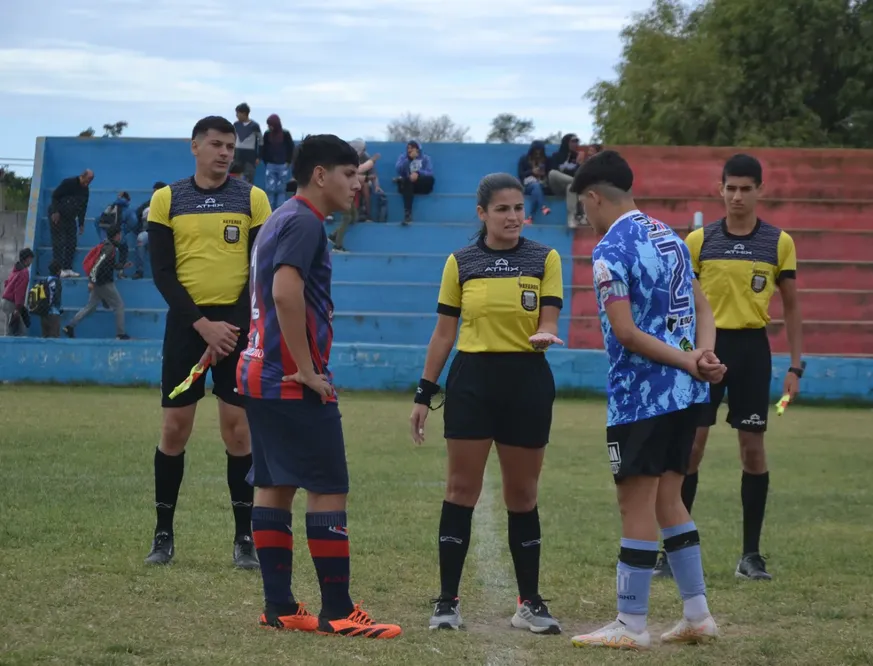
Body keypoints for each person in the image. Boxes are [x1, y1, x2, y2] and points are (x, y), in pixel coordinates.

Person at [237, 134, 402, 638]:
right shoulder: (305, 222)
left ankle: (280, 606)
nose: (358, 184)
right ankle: (337, 610)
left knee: (276, 483)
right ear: (320, 175)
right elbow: (287, 294)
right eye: (350, 174)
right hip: (288, 378)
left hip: (257, 370)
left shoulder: (282, 218)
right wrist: (308, 370)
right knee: (329, 487)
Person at [567, 151, 721, 649]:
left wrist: (687, 360)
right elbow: (703, 305)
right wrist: (703, 356)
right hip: (687, 394)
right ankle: (697, 615)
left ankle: (631, 624)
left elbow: (627, 334)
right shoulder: (670, 238)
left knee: (633, 502)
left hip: (641, 399)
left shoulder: (611, 249)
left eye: (582, 205)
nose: (584, 216)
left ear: (594, 197)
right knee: (670, 500)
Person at [409, 172, 565, 635]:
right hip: (472, 381)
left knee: (523, 494)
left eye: (518, 208)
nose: (513, 216)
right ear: (482, 214)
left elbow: (550, 316)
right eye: (502, 209)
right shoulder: (461, 261)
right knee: (461, 489)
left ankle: (529, 603)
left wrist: (543, 334)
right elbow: (444, 334)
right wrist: (424, 392)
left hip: (527, 381)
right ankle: (447, 601)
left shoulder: (545, 257)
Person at [144, 115, 272, 568]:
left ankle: (244, 539)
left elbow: (261, 271)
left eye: (230, 147)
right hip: (186, 326)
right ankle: (163, 534)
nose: (224, 153)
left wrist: (228, 329)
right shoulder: (166, 200)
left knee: (238, 433)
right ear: (194, 146)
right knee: (175, 430)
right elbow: (162, 273)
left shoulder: (254, 198)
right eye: (216, 144)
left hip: (236, 329)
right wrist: (202, 325)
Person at [674, 153, 803, 582]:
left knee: (752, 450)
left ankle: (751, 555)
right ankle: (674, 551)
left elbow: (791, 307)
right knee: (691, 448)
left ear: (759, 191)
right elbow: (683, 304)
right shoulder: (699, 241)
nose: (737, 196)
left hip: (751, 350)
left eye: (746, 188)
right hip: (706, 350)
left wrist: (796, 366)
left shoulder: (779, 243)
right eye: (731, 187)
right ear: (720, 189)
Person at [61, 225, 130, 340]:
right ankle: (120, 334)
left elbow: (108, 265)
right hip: (104, 282)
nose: (121, 236)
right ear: (117, 235)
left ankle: (70, 326)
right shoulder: (110, 248)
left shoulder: (108, 246)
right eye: (120, 234)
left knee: (90, 307)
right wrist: (91, 280)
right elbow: (98, 264)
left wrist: (122, 266)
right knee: (119, 305)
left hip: (99, 282)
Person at [49, 169, 93, 277]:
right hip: (58, 215)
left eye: (90, 181)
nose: (87, 183)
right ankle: (57, 270)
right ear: (82, 176)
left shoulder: (85, 190)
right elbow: (55, 196)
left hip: (70, 217)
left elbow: (83, 208)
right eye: (87, 180)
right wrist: (55, 211)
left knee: (72, 242)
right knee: (59, 242)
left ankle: (67, 268)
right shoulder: (69, 183)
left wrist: (81, 223)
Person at [394, 140, 434, 225]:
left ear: (418, 149)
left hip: (420, 184)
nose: (409, 150)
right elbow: (399, 169)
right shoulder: (403, 157)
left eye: (412, 148)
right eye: (408, 148)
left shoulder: (425, 158)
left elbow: (429, 172)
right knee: (407, 180)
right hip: (407, 185)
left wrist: (418, 173)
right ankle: (408, 214)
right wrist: (409, 159)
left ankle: (402, 179)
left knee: (431, 179)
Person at [262, 114, 295, 209]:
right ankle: (269, 210)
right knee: (270, 189)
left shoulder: (285, 134)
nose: (269, 127)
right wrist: (266, 161)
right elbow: (264, 148)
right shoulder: (267, 134)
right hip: (270, 165)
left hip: (282, 165)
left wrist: (288, 161)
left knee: (281, 189)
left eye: (270, 124)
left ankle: (279, 210)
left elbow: (290, 148)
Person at [517, 140, 551, 225]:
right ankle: (543, 206)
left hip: (542, 185)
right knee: (535, 187)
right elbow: (521, 174)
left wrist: (543, 174)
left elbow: (549, 174)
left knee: (536, 190)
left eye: (540, 152)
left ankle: (530, 218)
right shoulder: (524, 159)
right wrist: (532, 172)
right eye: (536, 152)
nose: (538, 154)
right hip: (528, 185)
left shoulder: (546, 160)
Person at [1, 248, 34, 336]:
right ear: (27, 259)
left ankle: (5, 346)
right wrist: (18, 307)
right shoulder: (24, 272)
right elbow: (20, 291)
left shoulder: (16, 268)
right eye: (31, 259)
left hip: (5, 301)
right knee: (18, 331)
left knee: (10, 327)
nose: (31, 262)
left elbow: (7, 283)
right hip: (12, 302)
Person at [234, 102, 263, 183]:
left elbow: (261, 141)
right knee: (236, 177)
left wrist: (259, 156)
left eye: (238, 113)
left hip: (250, 156)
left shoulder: (254, 126)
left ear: (244, 113)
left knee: (249, 177)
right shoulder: (236, 125)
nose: (236, 115)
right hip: (237, 154)